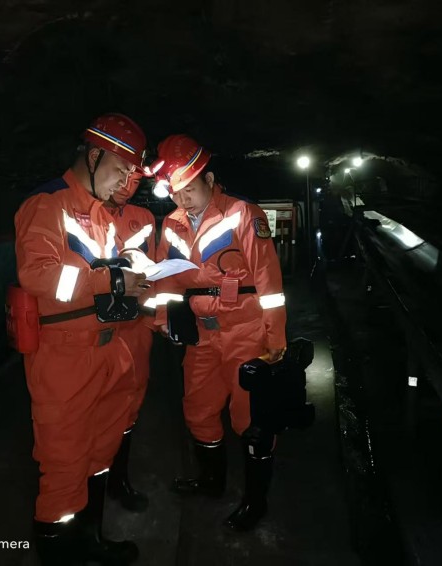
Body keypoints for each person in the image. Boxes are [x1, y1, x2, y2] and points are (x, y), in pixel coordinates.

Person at [14, 113, 148, 565]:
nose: (124, 183)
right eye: (120, 170)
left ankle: (90, 544)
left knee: (100, 451)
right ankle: (60, 554)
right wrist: (111, 281)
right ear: (93, 156)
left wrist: (128, 275)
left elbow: (102, 273)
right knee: (65, 465)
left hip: (108, 350)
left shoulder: (101, 214)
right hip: (64, 359)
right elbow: (38, 276)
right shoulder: (46, 204)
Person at [151, 134, 287, 531]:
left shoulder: (243, 213)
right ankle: (212, 481)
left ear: (209, 180)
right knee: (198, 409)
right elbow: (165, 278)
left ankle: (255, 500)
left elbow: (269, 281)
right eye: (176, 193)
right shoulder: (172, 224)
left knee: (251, 418)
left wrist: (275, 337)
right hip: (202, 335)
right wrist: (163, 318)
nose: (184, 200)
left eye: (190, 190)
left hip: (246, 332)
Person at [102, 171, 157, 512]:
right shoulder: (81, 214)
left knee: (130, 402)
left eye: (135, 181)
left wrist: (152, 320)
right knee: (94, 403)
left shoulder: (144, 217)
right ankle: (88, 480)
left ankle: (119, 480)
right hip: (97, 327)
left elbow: (153, 273)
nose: (127, 187)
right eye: (123, 177)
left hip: (135, 327)